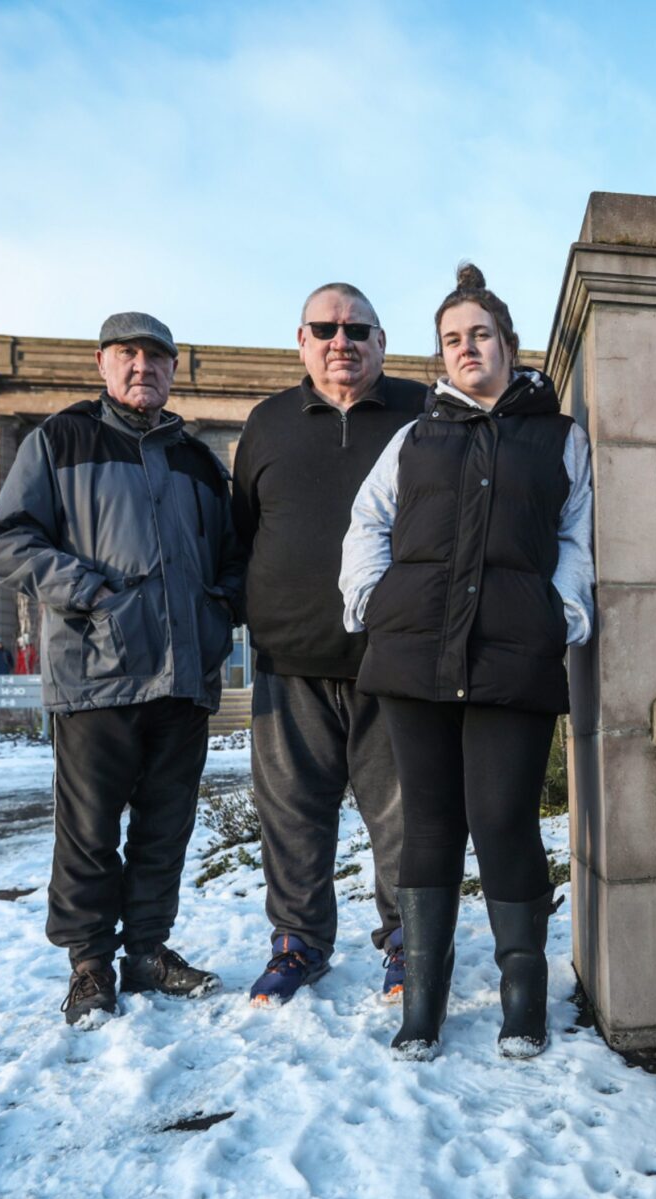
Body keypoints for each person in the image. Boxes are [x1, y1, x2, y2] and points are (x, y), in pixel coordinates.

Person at [340, 263, 593, 1060]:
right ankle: (423, 1002)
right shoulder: (415, 435)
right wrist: (372, 604)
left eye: (480, 334)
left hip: (513, 654)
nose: (466, 348)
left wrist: (562, 614)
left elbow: (578, 539)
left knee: (503, 818)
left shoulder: (559, 437)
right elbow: (366, 524)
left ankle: (525, 995)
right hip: (414, 652)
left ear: (510, 345)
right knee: (431, 821)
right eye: (452, 339)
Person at [0, 312, 246, 1025]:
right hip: (96, 673)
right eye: (127, 355)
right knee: (90, 830)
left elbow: (230, 557)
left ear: (172, 371)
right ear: (101, 364)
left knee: (167, 828)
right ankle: (91, 965)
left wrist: (219, 615)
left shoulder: (196, 459)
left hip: (184, 678)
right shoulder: (59, 441)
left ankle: (149, 952)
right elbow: (7, 542)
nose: (142, 368)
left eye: (156, 358)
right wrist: (91, 593)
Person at [231, 284, 424, 1005]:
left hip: (394, 659)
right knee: (290, 815)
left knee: (405, 814)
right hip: (290, 663)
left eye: (357, 328)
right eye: (325, 328)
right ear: (302, 341)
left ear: (382, 341)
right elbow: (243, 530)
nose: (340, 340)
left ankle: (411, 941)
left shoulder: (422, 411)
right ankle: (298, 944)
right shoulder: (268, 422)